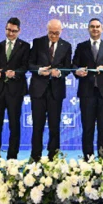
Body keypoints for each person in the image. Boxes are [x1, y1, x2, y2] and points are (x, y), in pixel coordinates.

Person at [72, 18, 103, 160]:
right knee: (87, 127)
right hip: (87, 93)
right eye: (92, 26)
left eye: (97, 26)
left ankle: (102, 157)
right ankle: (88, 157)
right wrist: (77, 71)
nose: (95, 29)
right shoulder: (81, 46)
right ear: (88, 29)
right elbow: (73, 65)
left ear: (102, 29)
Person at [28, 19, 72, 161]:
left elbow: (68, 68)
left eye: (56, 33)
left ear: (61, 31)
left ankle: (53, 156)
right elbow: (30, 64)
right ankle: (35, 156)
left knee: (54, 126)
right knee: (37, 125)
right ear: (47, 30)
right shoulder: (37, 42)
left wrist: (59, 73)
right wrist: (39, 70)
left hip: (56, 91)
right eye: (51, 33)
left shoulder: (66, 46)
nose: (53, 36)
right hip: (38, 90)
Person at [0, 17, 30, 160]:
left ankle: (12, 157)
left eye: (14, 31)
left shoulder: (25, 46)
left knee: (14, 125)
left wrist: (15, 73)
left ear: (19, 31)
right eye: (8, 30)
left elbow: (26, 66)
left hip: (15, 91)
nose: (10, 33)